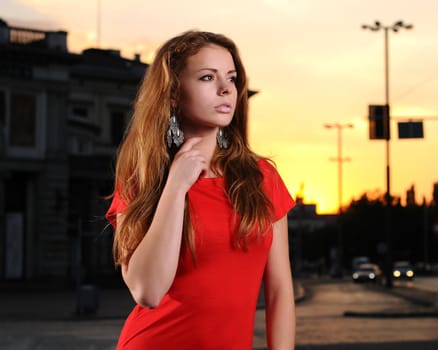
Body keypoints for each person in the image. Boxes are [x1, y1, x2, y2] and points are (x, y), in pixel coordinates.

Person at [105, 30, 296, 349]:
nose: (226, 89)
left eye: (232, 78)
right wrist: (176, 184)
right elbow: (148, 292)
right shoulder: (144, 179)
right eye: (207, 77)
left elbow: (279, 291)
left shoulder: (261, 178)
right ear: (173, 95)